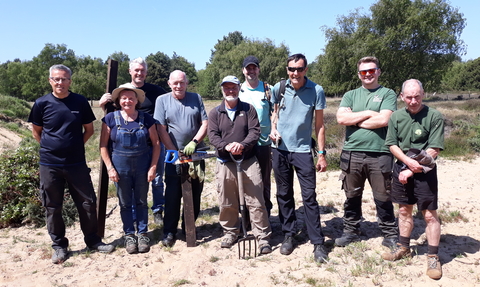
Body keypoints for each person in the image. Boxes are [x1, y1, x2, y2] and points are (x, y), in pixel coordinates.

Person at [28, 64, 115, 264]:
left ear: (70, 81)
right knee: (52, 206)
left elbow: (89, 130)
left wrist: (75, 146)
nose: (60, 82)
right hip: (50, 165)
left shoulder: (80, 101)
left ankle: (93, 241)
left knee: (87, 203)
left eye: (64, 79)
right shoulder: (41, 104)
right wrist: (51, 149)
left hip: (76, 163)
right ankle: (59, 246)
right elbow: (36, 132)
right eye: (56, 79)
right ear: (50, 80)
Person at [382, 79, 444, 280]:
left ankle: (433, 256)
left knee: (429, 215)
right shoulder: (396, 117)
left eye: (417, 96)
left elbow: (434, 150)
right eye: (408, 97)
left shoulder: (434, 116)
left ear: (423, 94)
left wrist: (412, 169)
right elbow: (392, 144)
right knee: (403, 210)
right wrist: (407, 163)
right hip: (401, 167)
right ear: (402, 97)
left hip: (425, 171)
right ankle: (403, 248)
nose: (413, 101)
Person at [269, 54, 328, 263]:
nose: (295, 73)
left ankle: (317, 242)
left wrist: (321, 154)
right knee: (283, 194)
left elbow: (319, 125)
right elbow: (273, 112)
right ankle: (289, 234)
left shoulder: (316, 90)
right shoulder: (279, 87)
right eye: (292, 69)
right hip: (280, 150)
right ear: (287, 69)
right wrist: (273, 128)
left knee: (309, 196)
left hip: (303, 151)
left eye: (299, 69)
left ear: (306, 69)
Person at [335, 56, 398, 248]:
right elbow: (341, 119)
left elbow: (384, 120)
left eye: (372, 70)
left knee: (383, 195)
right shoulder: (350, 95)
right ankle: (351, 231)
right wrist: (370, 113)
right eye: (364, 72)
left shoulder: (388, 94)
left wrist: (355, 119)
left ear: (378, 71)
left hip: (380, 153)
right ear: (359, 75)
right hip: (352, 153)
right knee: (351, 195)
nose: (368, 74)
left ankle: (389, 233)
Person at [208, 75, 272, 254]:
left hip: (248, 161)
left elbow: (255, 131)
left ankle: (263, 237)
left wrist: (242, 145)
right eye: (227, 88)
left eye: (233, 87)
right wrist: (225, 146)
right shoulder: (215, 113)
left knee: (256, 200)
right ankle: (230, 232)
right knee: (227, 201)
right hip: (225, 162)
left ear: (239, 89)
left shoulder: (248, 109)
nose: (230, 91)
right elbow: (213, 136)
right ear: (222, 90)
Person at [100, 57, 167, 224]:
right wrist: (103, 106)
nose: (139, 73)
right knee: (131, 182)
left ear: (146, 72)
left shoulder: (156, 91)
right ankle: (133, 215)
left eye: (142, 70)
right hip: (128, 148)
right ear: (130, 71)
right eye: (136, 70)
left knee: (157, 179)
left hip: (153, 143)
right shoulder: (123, 92)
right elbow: (112, 117)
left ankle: (158, 210)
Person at [100, 83, 160, 254]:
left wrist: (153, 167)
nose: (127, 101)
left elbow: (156, 144)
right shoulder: (110, 119)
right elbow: (103, 146)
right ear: (119, 101)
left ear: (136, 100)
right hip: (120, 168)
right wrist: (110, 168)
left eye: (131, 98)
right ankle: (129, 235)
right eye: (124, 98)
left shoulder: (146, 119)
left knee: (141, 201)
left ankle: (142, 234)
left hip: (142, 166)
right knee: (125, 203)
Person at [154, 70, 208, 247]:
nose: (179, 86)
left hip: (196, 154)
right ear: (169, 83)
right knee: (172, 194)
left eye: (182, 82)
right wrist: (174, 152)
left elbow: (205, 124)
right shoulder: (162, 100)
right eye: (175, 83)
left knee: (195, 192)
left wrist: (194, 141)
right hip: (173, 155)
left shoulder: (196, 98)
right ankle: (169, 231)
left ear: (187, 83)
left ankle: (188, 228)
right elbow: (161, 128)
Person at [239, 56, 273, 217]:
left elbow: (275, 113)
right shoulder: (238, 90)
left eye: (254, 68)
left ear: (258, 69)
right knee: (245, 181)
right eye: (248, 68)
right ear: (243, 71)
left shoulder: (268, 89)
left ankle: (265, 215)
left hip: (264, 143)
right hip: (244, 143)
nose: (251, 71)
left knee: (265, 180)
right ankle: (246, 218)